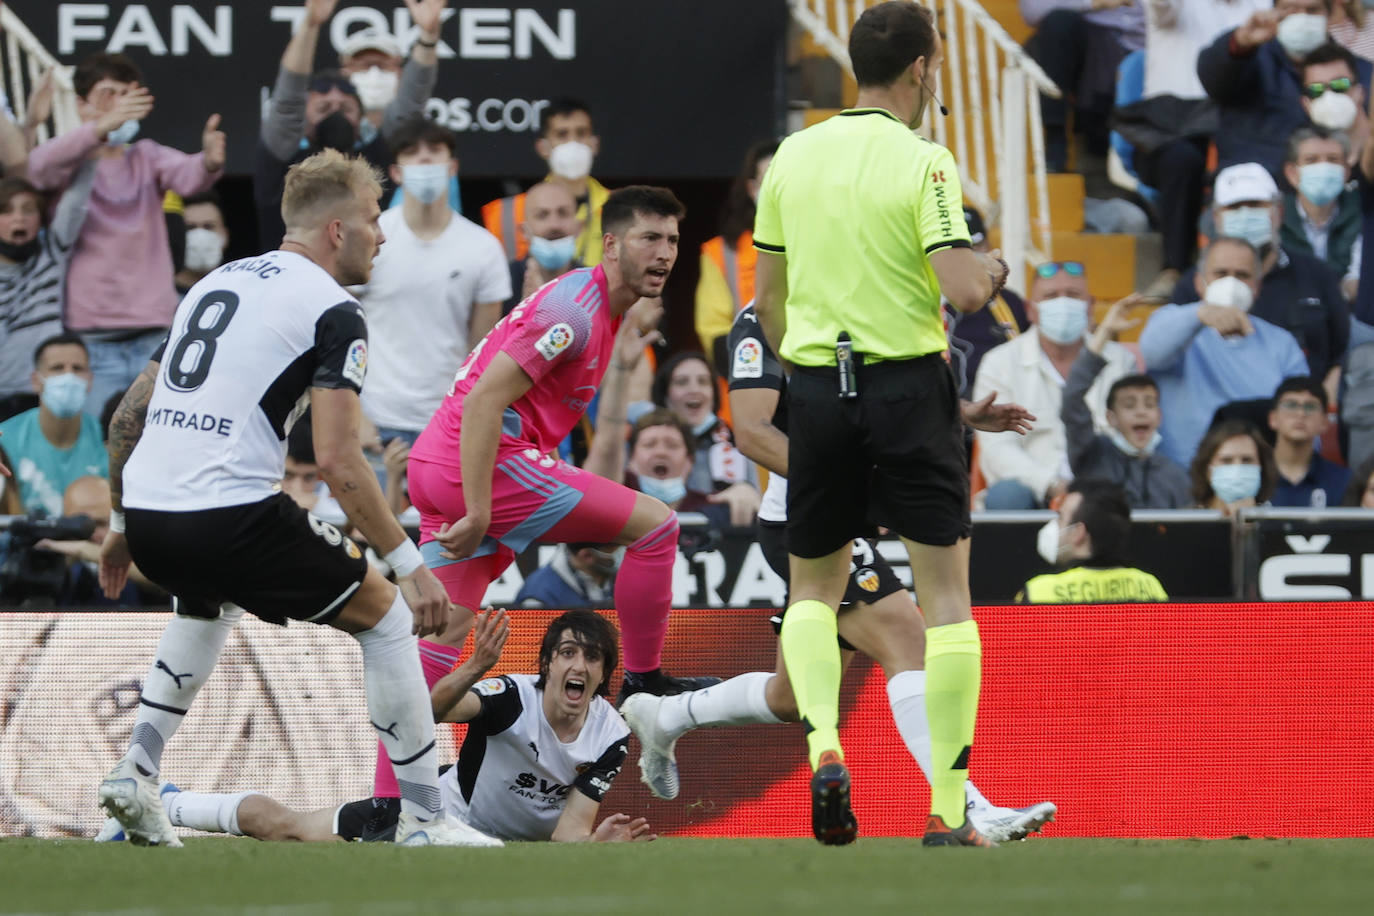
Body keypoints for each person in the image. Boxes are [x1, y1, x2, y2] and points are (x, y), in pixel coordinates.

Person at [93, 149, 493, 849]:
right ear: (337, 230)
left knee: (206, 601)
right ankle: (428, 820)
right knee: (389, 618)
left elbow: (131, 411)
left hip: (155, 514)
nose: (383, 234)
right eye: (373, 219)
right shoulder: (334, 310)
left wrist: (122, 524)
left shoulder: (216, 282)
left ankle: (135, 774)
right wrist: (410, 565)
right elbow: (338, 461)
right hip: (228, 516)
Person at [618, 301, 1054, 844]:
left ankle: (666, 715)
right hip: (809, 516)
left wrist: (959, 413)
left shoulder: (858, 285)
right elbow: (753, 434)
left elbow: (884, 394)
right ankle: (964, 806)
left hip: (842, 513)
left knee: (790, 696)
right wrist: (855, 489)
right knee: (909, 641)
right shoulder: (766, 314)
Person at [751, 1, 1011, 847]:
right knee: (946, 602)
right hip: (907, 388)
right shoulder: (925, 161)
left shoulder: (792, 155)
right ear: (925, 70)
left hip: (820, 387)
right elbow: (967, 291)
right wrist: (995, 261)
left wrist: (809, 380)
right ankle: (946, 806)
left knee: (813, 593)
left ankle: (827, 747)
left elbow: (767, 301)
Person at [406, 186, 717, 702]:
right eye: (649, 238)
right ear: (611, 245)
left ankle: (390, 786)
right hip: (478, 471)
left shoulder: (601, 307)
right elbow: (485, 401)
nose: (664, 253)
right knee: (657, 527)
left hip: (439, 467)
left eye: (672, 240)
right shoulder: (572, 314)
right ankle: (642, 684)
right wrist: (480, 510)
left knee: (436, 656)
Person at [98, 610, 653, 846]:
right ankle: (165, 803)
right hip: (431, 819)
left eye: (591, 658)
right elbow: (429, 713)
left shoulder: (611, 735)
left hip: (495, 847)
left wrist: (593, 845)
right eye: (566, 653)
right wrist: (475, 668)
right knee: (287, 829)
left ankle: (162, 803)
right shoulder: (510, 697)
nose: (577, 666)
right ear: (548, 664)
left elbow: (568, 832)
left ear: (605, 673)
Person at [25, 52, 224, 418]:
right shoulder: (67, 160)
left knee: (158, 445)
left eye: (126, 94)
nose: (119, 104)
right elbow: (35, 169)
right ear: (81, 104)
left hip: (153, 333)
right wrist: (99, 130)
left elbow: (189, 175)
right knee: (101, 450)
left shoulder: (145, 156)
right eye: (108, 94)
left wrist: (209, 161)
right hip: (90, 337)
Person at [355, 117, 510, 448]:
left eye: (435, 150)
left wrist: (467, 418)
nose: (425, 159)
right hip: (374, 421)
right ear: (395, 172)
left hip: (448, 425)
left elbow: (481, 353)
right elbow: (339, 336)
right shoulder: (368, 238)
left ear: (452, 167)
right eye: (412, 152)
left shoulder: (484, 248)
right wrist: (354, 413)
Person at [254, 0, 444, 249]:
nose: (335, 112)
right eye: (324, 108)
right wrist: (310, 25)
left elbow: (411, 100)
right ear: (305, 120)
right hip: (292, 279)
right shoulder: (283, 159)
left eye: (345, 108)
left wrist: (428, 37)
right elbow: (288, 96)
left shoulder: (381, 152)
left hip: (365, 279)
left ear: (360, 118)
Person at [1127, 0, 1266, 301]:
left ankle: (1257, 269)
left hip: (1235, 124)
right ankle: (1174, 269)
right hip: (1168, 128)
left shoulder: (1262, 4)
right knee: (1182, 160)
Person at [1171, 161, 1350, 390]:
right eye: (1234, 207)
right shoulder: (1192, 284)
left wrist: (1325, 397)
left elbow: (1343, 350)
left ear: (1279, 211)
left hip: (1303, 413)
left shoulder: (1317, 274)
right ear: (1216, 217)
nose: (1245, 214)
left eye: (1256, 205)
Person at [974, 261, 1137, 510]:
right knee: (1007, 495)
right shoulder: (999, 363)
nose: (1062, 303)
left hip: (1102, 490)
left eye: (1072, 295)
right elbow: (997, 449)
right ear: (1030, 310)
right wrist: (1051, 485)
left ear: (1091, 306)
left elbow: (1127, 436)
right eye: (1051, 296)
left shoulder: (1120, 361)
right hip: (1031, 491)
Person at [1146, 237, 1311, 467]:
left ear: (1257, 287)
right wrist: (1200, 314)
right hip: (1181, 482)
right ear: (1199, 282)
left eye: (1242, 275)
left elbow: (1303, 413)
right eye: (1221, 274)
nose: (1231, 283)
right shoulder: (1174, 322)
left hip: (1258, 480)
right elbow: (1151, 352)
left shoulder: (1281, 344)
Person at [1198, 1, 1374, 176]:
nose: (1302, 18)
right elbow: (1213, 80)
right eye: (1290, 11)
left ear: (1329, 16)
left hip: (1339, 189)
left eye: (1312, 10)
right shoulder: (1248, 61)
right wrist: (1240, 42)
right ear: (1274, 13)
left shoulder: (1361, 72)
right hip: (1254, 185)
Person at [1063, 295, 1192, 508]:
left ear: (1159, 417)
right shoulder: (1093, 455)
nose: (1141, 412)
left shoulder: (1174, 475)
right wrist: (1104, 333)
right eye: (1130, 405)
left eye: (1149, 404)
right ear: (1110, 418)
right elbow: (1072, 399)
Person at [0, 173, 94, 422]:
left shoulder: (51, 252)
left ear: (41, 219)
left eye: (28, 210)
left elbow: (76, 199)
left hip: (43, 397)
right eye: (6, 211)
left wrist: (97, 141)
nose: (19, 217)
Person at [1019, 0, 1145, 175]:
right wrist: (1094, 3)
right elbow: (1032, 9)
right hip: (1085, 46)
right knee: (1058, 24)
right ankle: (1056, 139)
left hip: (1140, 48)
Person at [482, 98, 609, 266]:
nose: (573, 143)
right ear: (543, 147)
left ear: (594, 144)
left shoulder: (617, 207)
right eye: (562, 135)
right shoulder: (506, 213)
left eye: (581, 133)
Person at [0, 334, 107, 517]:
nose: (69, 376)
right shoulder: (5, 439)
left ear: (90, 380)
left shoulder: (107, 436)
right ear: (35, 381)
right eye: (57, 368)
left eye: (77, 368)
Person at [650, 352, 760, 526]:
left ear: (714, 394)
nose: (694, 389)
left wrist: (747, 493)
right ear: (665, 395)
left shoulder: (738, 442)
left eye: (703, 381)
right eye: (681, 382)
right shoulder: (642, 441)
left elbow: (757, 504)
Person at [1018, 477, 1168, 603]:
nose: (1054, 525)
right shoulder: (1150, 587)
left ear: (1078, 533)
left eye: (1061, 517)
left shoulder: (1039, 593)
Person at [695, 140, 778, 362]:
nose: (777, 190)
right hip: (745, 381)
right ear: (752, 189)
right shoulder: (722, 253)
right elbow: (715, 335)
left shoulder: (817, 243)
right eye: (769, 180)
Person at [946, 205, 1031, 398]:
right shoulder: (928, 301)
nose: (969, 255)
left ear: (988, 246)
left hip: (1006, 401)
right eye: (960, 248)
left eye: (976, 246)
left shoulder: (1010, 302)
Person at [1281, 127, 1360, 300]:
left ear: (1346, 171)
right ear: (1292, 173)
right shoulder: (1276, 217)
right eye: (1311, 160)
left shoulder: (1362, 213)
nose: (1323, 167)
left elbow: (1356, 279)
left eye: (1333, 160)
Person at [1268, 375, 1350, 506]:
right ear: (1273, 418)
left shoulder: (1344, 481)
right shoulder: (1252, 477)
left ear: (1325, 422)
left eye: (1310, 407)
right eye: (1291, 405)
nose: (1300, 413)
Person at [504, 181, 583, 315]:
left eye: (563, 213)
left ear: (578, 228)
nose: (554, 225)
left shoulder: (598, 287)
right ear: (524, 231)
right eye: (542, 215)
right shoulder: (501, 284)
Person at [1188, 419, 1279, 514]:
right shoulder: (1185, 521)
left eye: (1246, 460)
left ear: (1261, 467)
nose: (1238, 469)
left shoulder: (1276, 522)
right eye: (1226, 461)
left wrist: (1249, 523)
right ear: (1208, 470)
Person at [515, 543, 617, 608]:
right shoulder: (538, 598)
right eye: (614, 549)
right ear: (587, 556)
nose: (622, 551)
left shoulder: (607, 573)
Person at [175, 191, 230, 297]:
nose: (200, 235)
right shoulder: (155, 298)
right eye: (190, 228)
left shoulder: (243, 292)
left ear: (225, 235)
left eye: (209, 227)